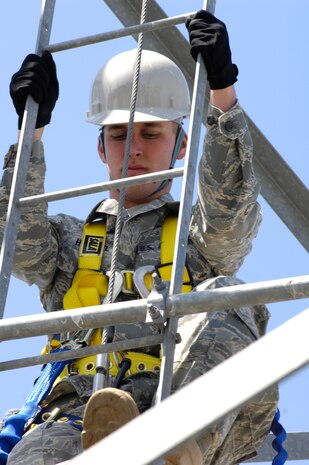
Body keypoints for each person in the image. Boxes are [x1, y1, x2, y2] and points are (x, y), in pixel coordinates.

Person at [0, 10, 278, 465]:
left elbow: (230, 216)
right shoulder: (71, 243)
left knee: (227, 298)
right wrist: (31, 131)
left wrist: (223, 95)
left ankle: (175, 449)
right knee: (33, 455)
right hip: (82, 419)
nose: (134, 148)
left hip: (186, 412)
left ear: (180, 145)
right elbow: (14, 238)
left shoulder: (196, 238)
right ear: (100, 146)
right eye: (119, 134)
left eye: (151, 133)